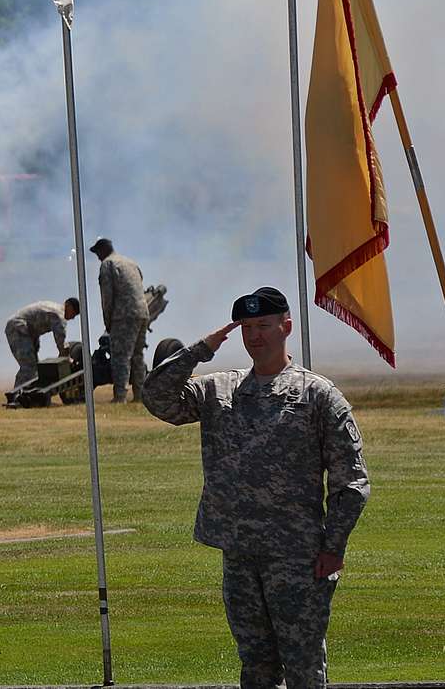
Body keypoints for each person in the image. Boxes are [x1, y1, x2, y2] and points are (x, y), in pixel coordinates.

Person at [141, 287, 369, 689]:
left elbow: (350, 480)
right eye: (246, 327)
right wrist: (199, 349)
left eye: (263, 325)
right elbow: (157, 398)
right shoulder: (218, 390)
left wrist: (334, 546)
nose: (255, 336)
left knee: (302, 664)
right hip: (239, 553)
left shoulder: (317, 396)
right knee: (256, 664)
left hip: (297, 556)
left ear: (286, 327)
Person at [90, 237, 150, 403]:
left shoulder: (107, 265)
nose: (97, 257)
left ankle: (120, 397)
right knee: (138, 356)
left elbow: (107, 298)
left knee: (121, 357)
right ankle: (140, 395)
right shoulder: (129, 262)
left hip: (124, 316)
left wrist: (107, 321)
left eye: (97, 253)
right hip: (142, 313)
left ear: (103, 250)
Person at [4, 298, 79, 390]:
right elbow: (60, 338)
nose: (73, 317)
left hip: (22, 329)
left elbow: (34, 325)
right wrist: (66, 356)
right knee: (29, 367)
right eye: (74, 312)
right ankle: (16, 397)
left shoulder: (53, 307)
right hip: (18, 328)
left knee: (33, 368)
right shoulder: (59, 314)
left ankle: (27, 395)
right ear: (68, 305)